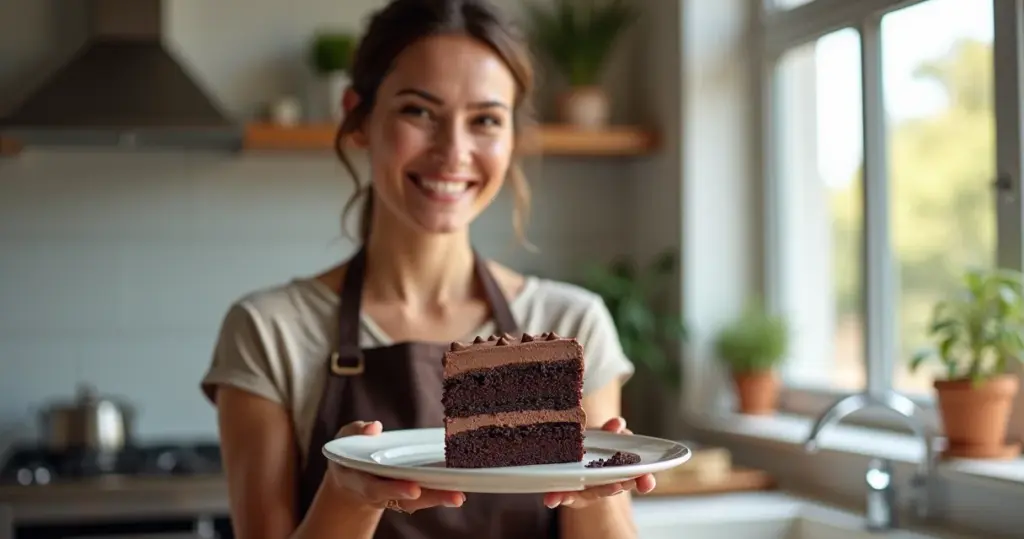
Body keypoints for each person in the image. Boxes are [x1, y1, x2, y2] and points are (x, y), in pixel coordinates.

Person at [199, 0, 655, 537]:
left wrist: (594, 485)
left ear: (512, 139)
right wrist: (348, 495)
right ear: (359, 118)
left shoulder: (572, 322)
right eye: (418, 111)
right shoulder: (269, 330)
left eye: (485, 120)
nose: (453, 152)